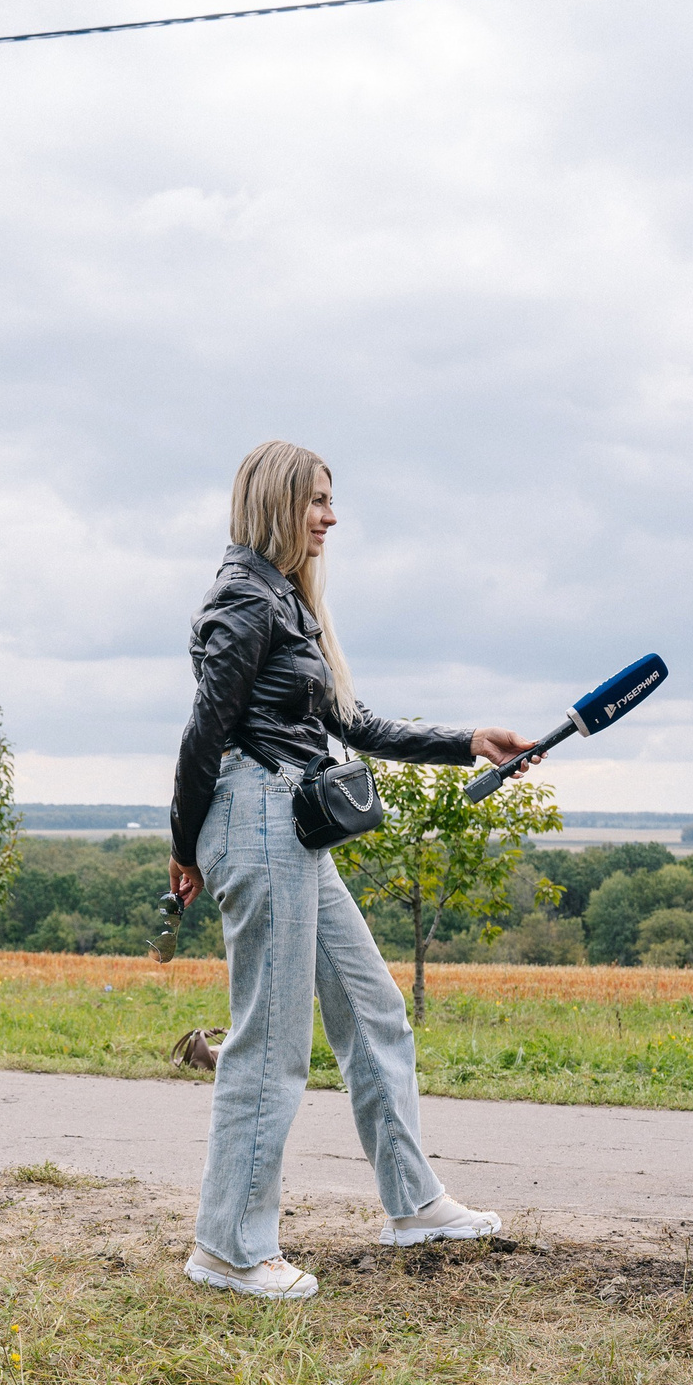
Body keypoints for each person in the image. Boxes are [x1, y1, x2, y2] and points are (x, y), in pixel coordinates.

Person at [166, 440, 546, 1300]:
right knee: (269, 1040)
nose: (331, 517)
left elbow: (354, 721)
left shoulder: (289, 601)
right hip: (259, 814)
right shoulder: (242, 594)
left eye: (332, 502)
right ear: (275, 500)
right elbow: (203, 733)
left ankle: (413, 1202)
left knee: (375, 1009)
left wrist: (467, 742)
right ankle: (227, 1247)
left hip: (290, 821)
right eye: (318, 500)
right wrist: (185, 847)